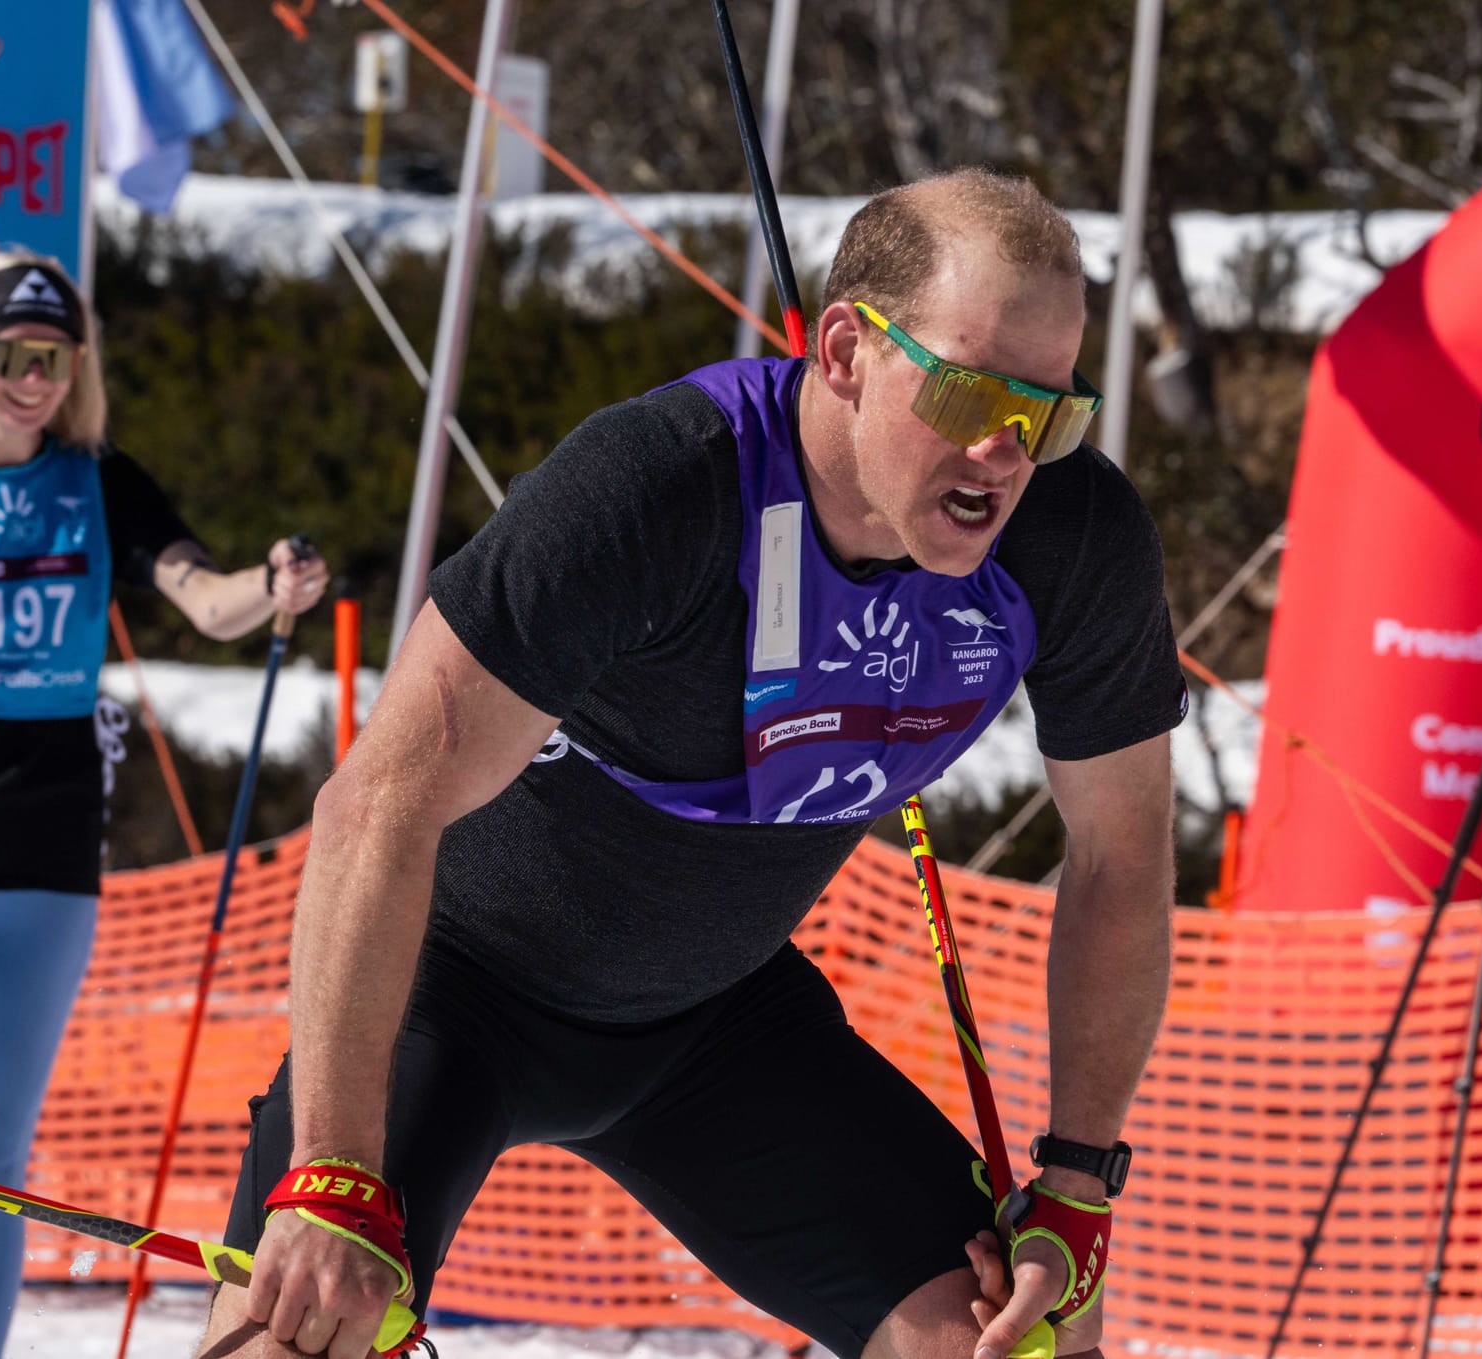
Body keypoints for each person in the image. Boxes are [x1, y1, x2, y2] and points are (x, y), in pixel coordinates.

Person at [202, 168, 1181, 1359]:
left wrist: (1076, 1185)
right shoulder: (661, 485)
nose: (1003, 449)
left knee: (1015, 1341)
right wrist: (334, 1173)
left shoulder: (1069, 539)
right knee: (294, 1337)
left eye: (1048, 410)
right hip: (446, 991)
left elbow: (1120, 854)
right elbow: (377, 803)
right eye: (971, 389)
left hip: (713, 1021)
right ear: (842, 351)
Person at [0, 250, 332, 1359]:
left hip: (42, 850)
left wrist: (272, 588)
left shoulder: (97, 480)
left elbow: (206, 597)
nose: (30, 378)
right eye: (9, 354)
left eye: (52, 359)